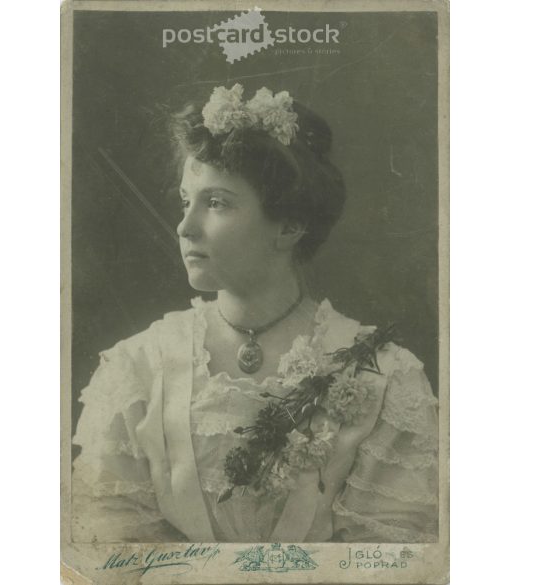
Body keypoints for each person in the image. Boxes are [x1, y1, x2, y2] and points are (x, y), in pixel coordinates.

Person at [71, 84, 439, 543]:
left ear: (289, 225)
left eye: (217, 203)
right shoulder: (138, 367)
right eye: (187, 201)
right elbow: (109, 543)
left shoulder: (385, 376)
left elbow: (391, 554)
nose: (185, 227)